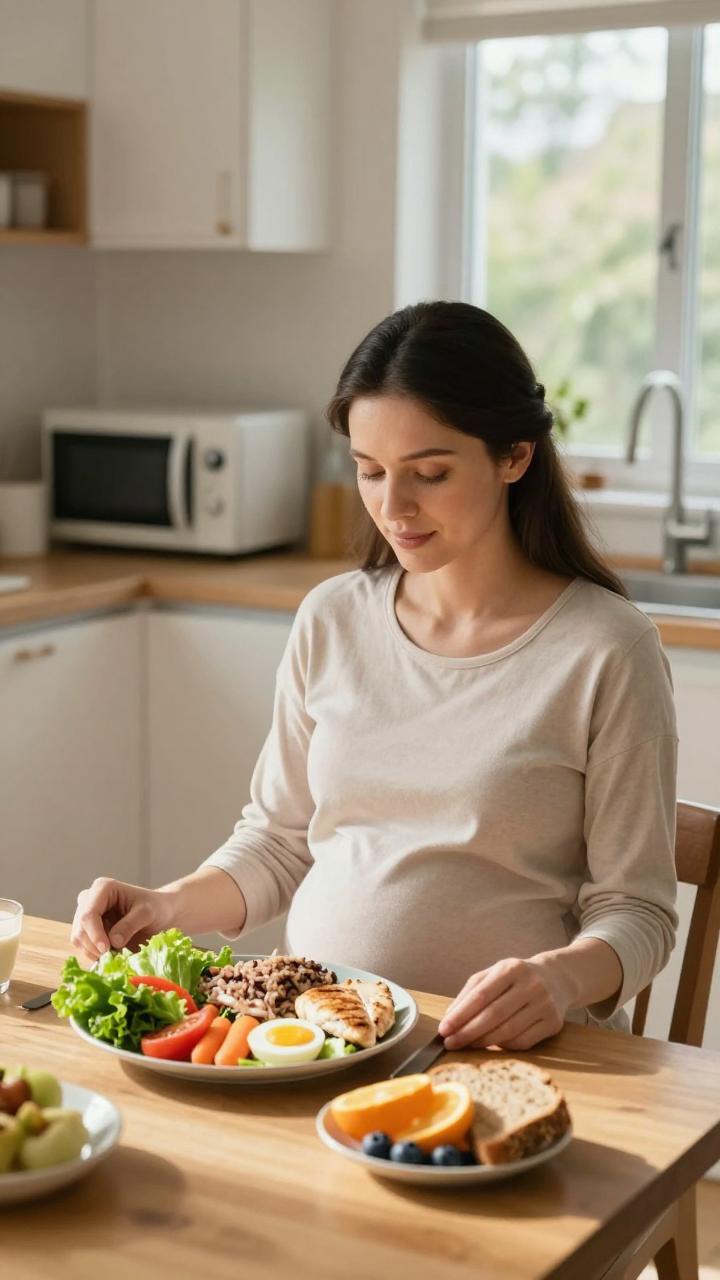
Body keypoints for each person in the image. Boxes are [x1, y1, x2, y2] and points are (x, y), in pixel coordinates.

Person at [71, 301, 679, 1052]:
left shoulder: (606, 650)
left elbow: (639, 913)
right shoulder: (332, 619)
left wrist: (560, 978)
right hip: (317, 1042)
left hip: (512, 1054)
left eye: (429, 473)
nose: (394, 507)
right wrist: (163, 906)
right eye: (370, 471)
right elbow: (278, 843)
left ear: (514, 456)